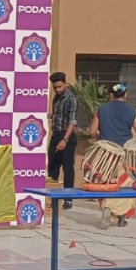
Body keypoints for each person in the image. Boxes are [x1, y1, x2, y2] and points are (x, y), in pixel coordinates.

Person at [89, 82, 136, 228]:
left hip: (105, 153)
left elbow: (92, 131)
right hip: (124, 154)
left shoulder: (101, 109)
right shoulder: (132, 111)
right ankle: (122, 217)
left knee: (107, 182)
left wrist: (99, 139)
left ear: (111, 95)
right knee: (124, 184)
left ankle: (107, 207)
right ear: (125, 95)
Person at [47, 71, 78, 209]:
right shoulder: (56, 97)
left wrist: (65, 140)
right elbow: (58, 114)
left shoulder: (72, 99)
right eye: (55, 87)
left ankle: (68, 199)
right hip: (56, 135)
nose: (57, 90)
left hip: (67, 136)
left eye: (59, 87)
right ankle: (52, 198)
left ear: (65, 84)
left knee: (67, 167)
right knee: (52, 167)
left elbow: (72, 122)